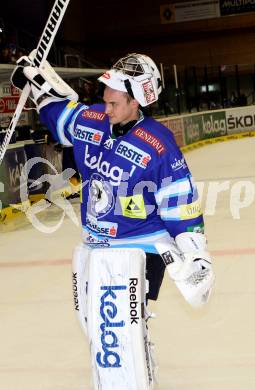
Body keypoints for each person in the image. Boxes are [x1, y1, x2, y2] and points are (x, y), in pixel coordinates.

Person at [12, 53, 214, 389]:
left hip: (144, 246)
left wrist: (194, 250)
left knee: (122, 322)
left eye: (114, 103)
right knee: (95, 324)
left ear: (136, 101)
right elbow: (59, 116)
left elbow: (179, 201)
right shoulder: (91, 120)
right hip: (95, 244)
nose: (106, 109)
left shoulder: (159, 143)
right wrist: (35, 84)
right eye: (104, 101)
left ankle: (137, 361)